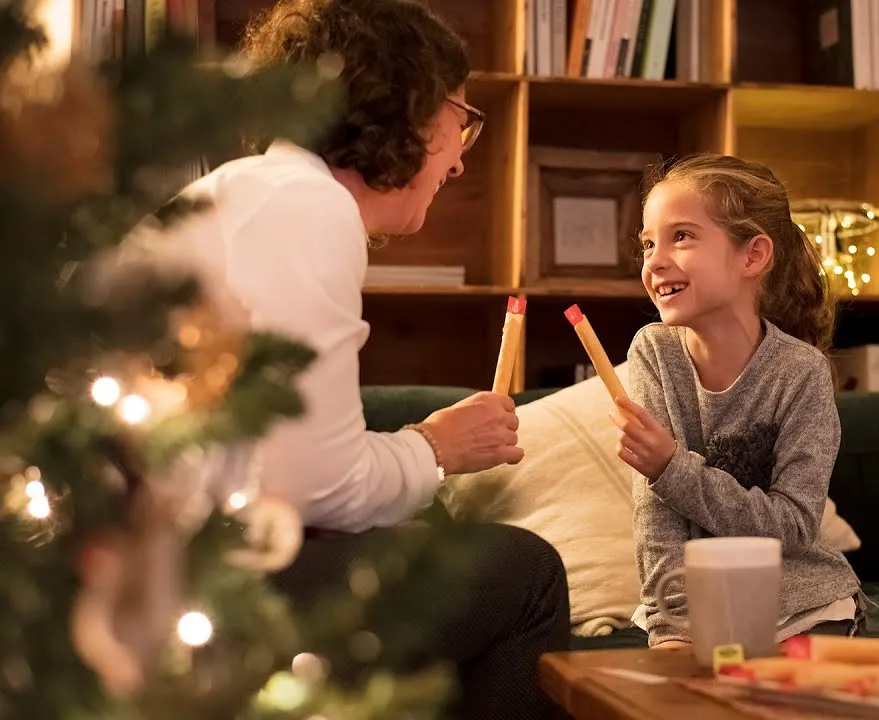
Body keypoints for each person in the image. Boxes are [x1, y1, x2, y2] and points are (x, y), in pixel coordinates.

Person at [151, 1, 571, 717]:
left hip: (162, 553)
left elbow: (284, 467)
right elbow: (315, 486)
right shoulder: (304, 204)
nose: (462, 154)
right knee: (526, 573)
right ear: (405, 104)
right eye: (460, 118)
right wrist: (433, 448)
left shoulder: (256, 193)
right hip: (167, 577)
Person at [610, 153, 864, 650]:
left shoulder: (801, 373)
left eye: (680, 236)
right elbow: (655, 518)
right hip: (698, 611)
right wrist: (671, 631)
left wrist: (672, 468)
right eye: (647, 243)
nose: (655, 261)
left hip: (802, 607)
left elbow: (793, 526)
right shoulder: (653, 353)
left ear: (752, 256)